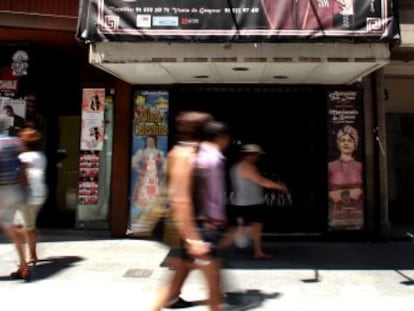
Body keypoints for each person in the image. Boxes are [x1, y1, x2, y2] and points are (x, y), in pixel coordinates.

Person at [151, 113, 240, 311]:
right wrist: (193, 239)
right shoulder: (186, 154)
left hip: (192, 228)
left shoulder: (189, 152)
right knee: (214, 289)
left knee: (174, 285)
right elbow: (181, 199)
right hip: (192, 230)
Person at [225, 144, 288, 260]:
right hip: (249, 204)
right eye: (257, 155)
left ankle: (258, 252)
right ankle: (218, 250)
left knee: (253, 228)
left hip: (242, 203)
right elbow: (261, 181)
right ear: (251, 155)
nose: (258, 158)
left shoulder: (235, 167)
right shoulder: (247, 167)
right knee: (245, 230)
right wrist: (279, 187)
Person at [0, 115, 30, 280]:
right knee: (11, 226)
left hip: (2, 190)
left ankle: (23, 265)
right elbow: (24, 165)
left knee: (9, 227)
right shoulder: (14, 142)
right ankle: (23, 265)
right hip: (15, 190)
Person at [14, 127, 48, 265]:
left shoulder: (23, 157)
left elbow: (21, 176)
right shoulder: (41, 156)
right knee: (26, 225)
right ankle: (31, 253)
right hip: (39, 192)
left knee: (25, 226)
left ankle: (32, 255)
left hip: (27, 194)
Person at [328, 125, 363, 229]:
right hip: (336, 215)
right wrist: (351, 192)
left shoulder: (360, 166)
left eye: (350, 140)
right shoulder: (330, 166)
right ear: (338, 144)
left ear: (355, 144)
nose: (346, 143)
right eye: (343, 140)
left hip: (356, 215)